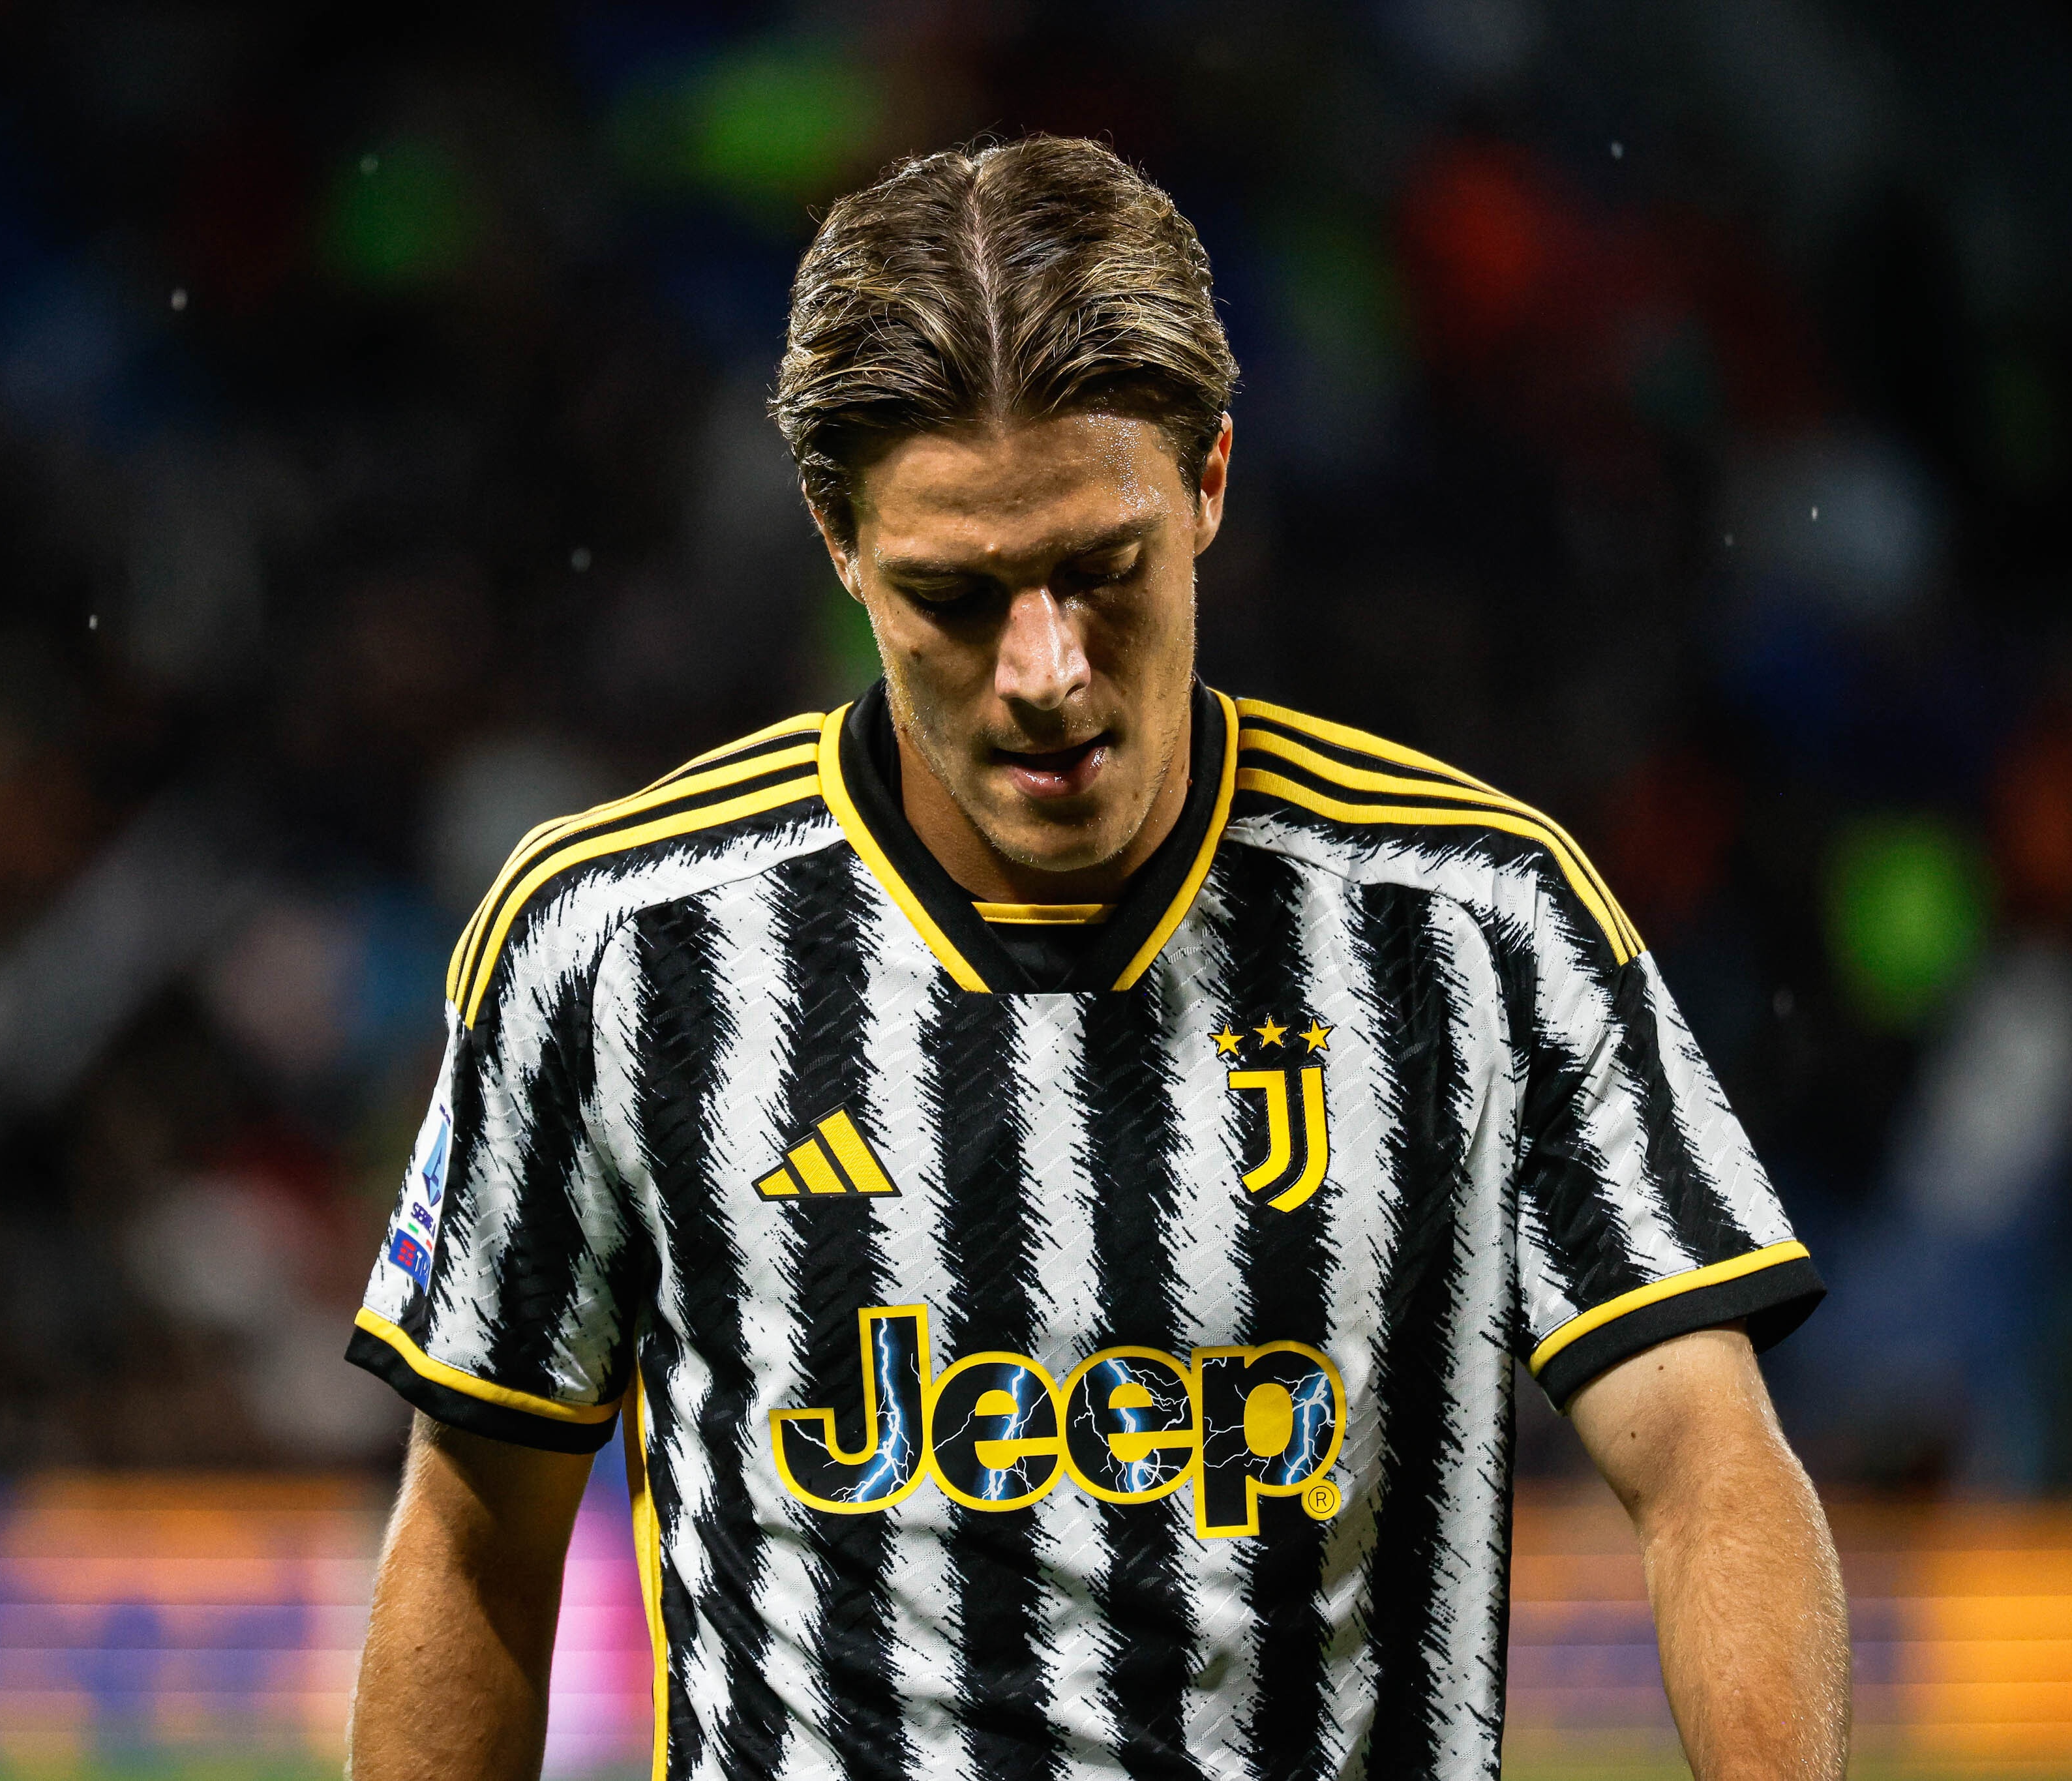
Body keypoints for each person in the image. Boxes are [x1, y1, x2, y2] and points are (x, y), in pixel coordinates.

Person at [344, 135, 1847, 1780]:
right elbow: (474, 1539)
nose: (1043, 668)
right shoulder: (612, 949)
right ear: (835, 536)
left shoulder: (1474, 923)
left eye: (1098, 570)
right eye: (955, 596)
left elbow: (1706, 1466)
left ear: (1207, 481)